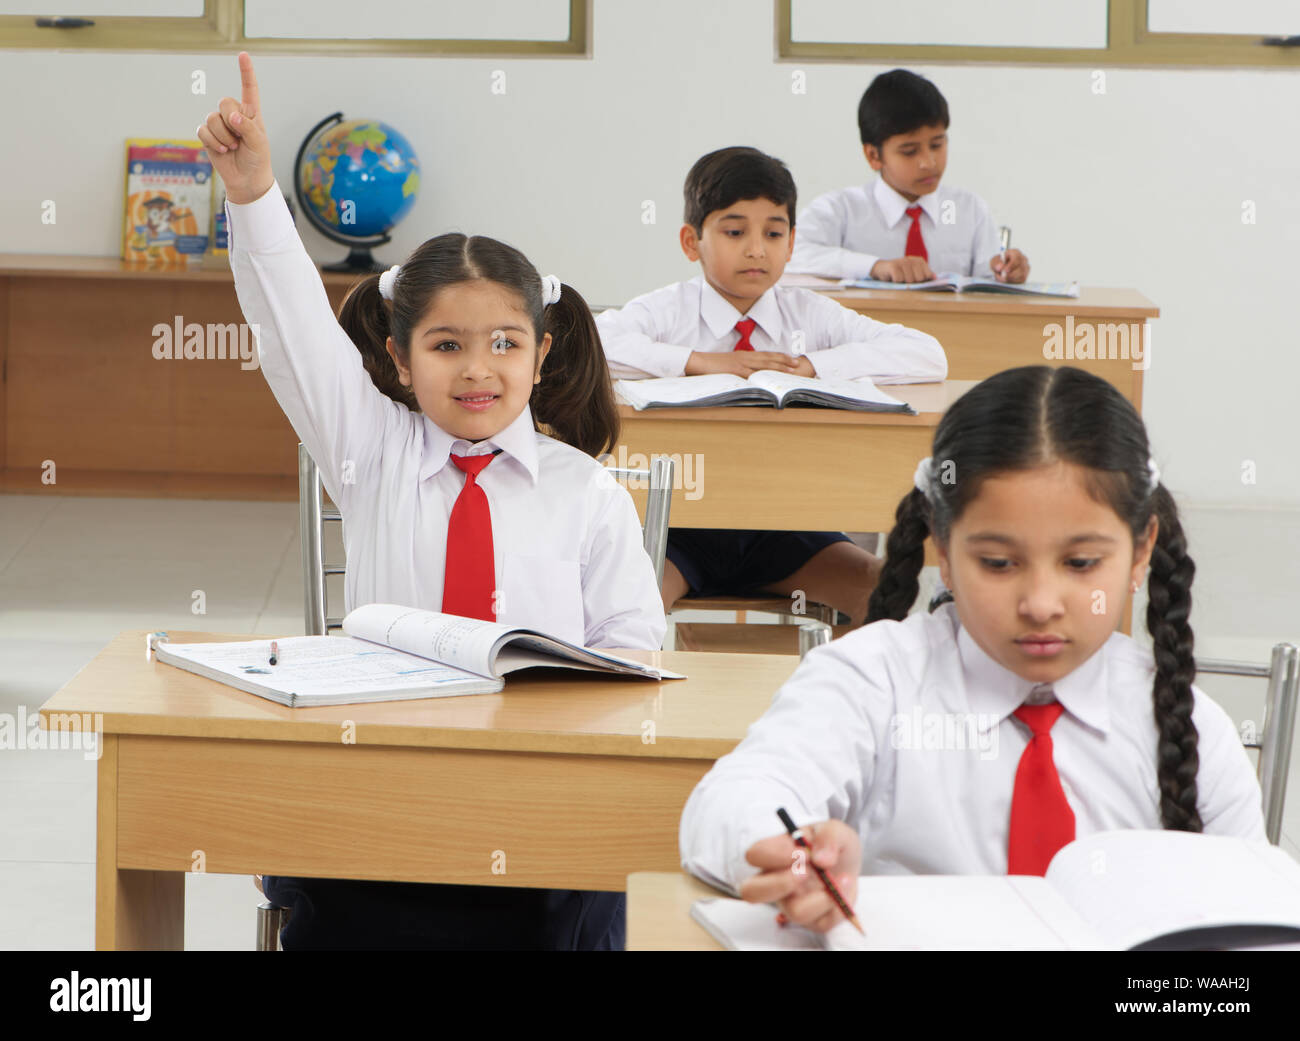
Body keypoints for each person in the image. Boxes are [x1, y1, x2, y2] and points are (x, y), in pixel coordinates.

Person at [199, 52, 664, 949]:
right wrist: (255, 192)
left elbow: (635, 655)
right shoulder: (370, 450)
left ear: (542, 348)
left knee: (600, 879)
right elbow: (294, 328)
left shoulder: (586, 491)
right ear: (400, 359)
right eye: (447, 345)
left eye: (504, 342)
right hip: (385, 784)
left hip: (537, 800)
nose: (479, 368)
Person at [679, 365, 1264, 932]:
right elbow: (736, 800)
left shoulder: (1191, 727)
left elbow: (1258, 928)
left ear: (1140, 554)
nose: (1040, 602)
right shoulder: (873, 679)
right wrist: (798, 853)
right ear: (943, 550)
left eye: (1081, 563)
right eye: (998, 564)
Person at [597, 146, 947, 625]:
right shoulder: (668, 310)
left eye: (774, 232)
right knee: (625, 615)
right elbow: (595, 341)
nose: (756, 249)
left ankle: (832, 693)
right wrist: (696, 361)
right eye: (735, 231)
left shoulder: (808, 313)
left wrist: (811, 366)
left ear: (792, 241)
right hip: (684, 529)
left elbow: (927, 353)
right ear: (690, 241)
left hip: (785, 531)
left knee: (886, 598)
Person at [788, 68, 1030, 284]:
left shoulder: (970, 210)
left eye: (937, 145)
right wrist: (876, 266)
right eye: (909, 151)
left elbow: (989, 282)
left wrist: (1008, 272)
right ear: (873, 156)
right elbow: (793, 254)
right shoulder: (841, 210)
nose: (928, 162)